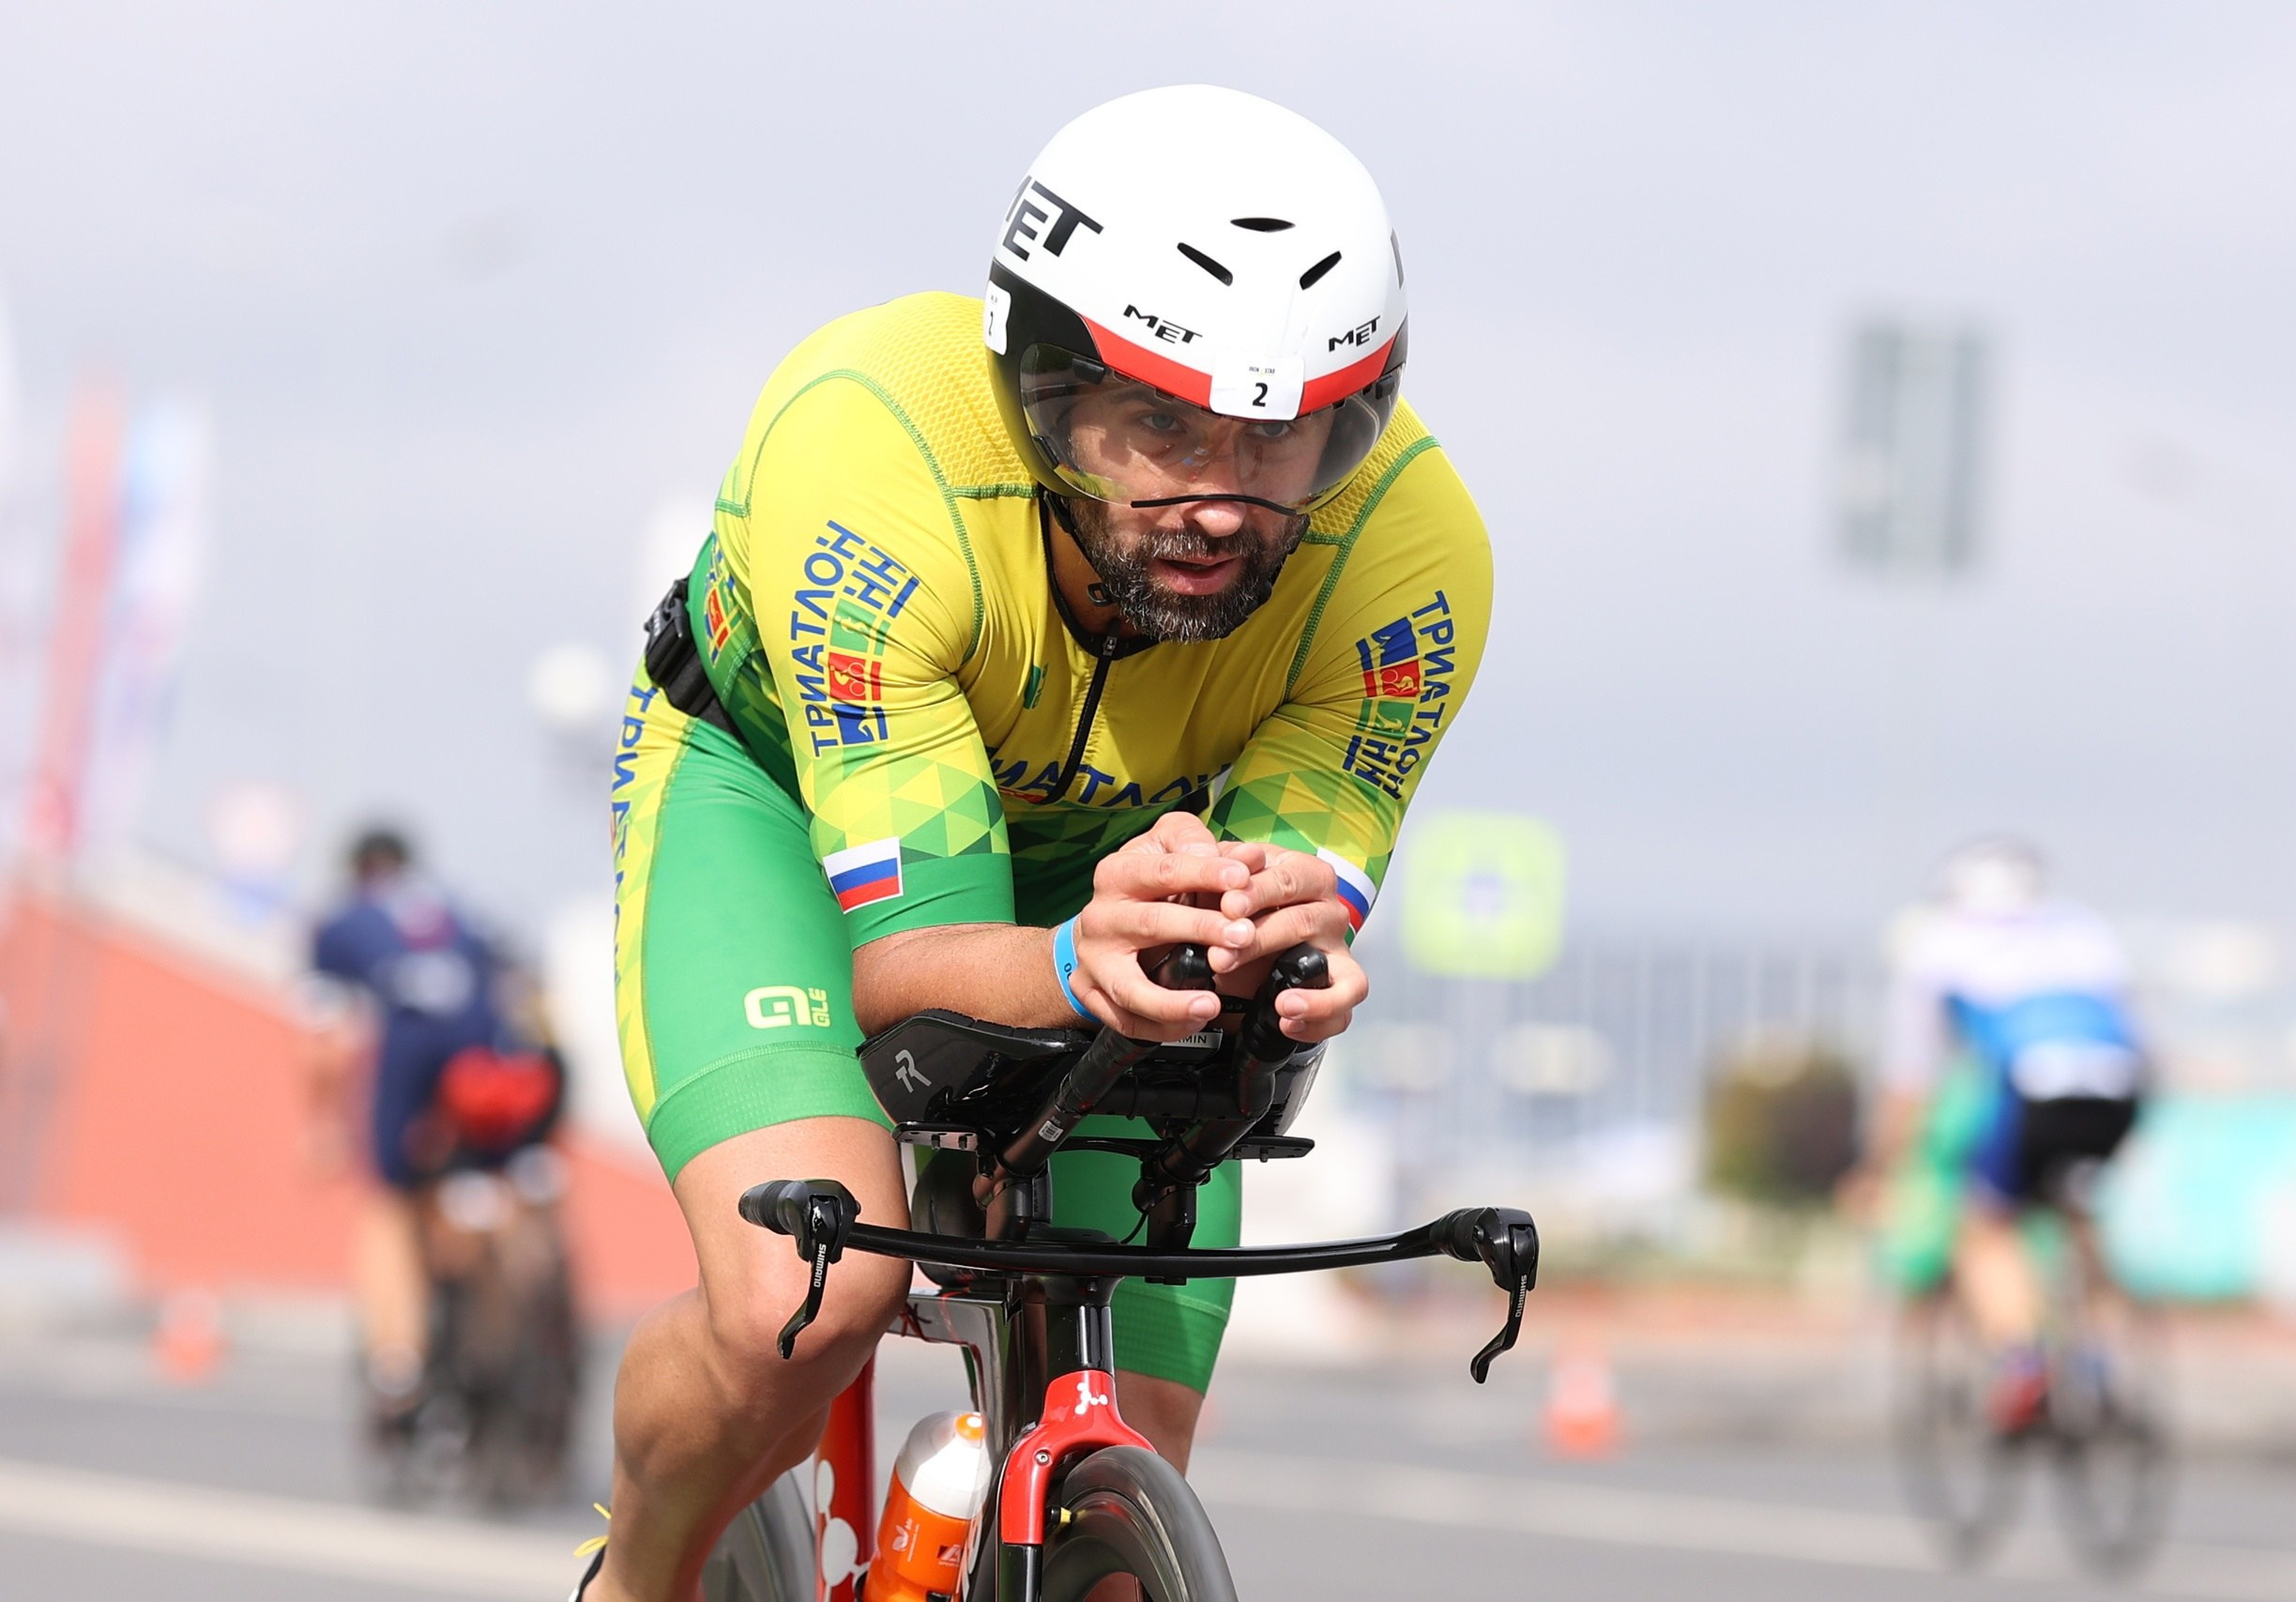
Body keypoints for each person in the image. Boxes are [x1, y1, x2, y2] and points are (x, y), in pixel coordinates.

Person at [586, 84, 1489, 1600]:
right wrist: (1073, 958)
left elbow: (1289, 885)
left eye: (1280, 447)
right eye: (1161, 426)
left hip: (1123, 859)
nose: (1218, 502)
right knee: (805, 1302)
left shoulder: (1412, 561)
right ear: (1047, 387)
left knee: (1128, 1478)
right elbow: (903, 969)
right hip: (778, 808)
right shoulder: (876, 453)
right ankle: (638, 1577)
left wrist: (1293, 938)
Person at [1855, 838, 2146, 1435]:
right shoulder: (2086, 930)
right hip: (2117, 1087)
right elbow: (2138, 1033)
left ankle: (2024, 1364)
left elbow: (1911, 1080)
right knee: (2079, 1210)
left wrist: (1879, 1166)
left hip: (2033, 1085)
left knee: (1985, 1223)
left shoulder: (1937, 944)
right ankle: (2100, 1360)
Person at [303, 826, 514, 1433]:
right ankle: (496, 1334)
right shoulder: (459, 910)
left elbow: (323, 1040)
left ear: (357, 869)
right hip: (488, 1056)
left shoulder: (345, 921)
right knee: (478, 1193)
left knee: (389, 1207)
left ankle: (399, 1357)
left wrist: (321, 1125)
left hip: (411, 1047)